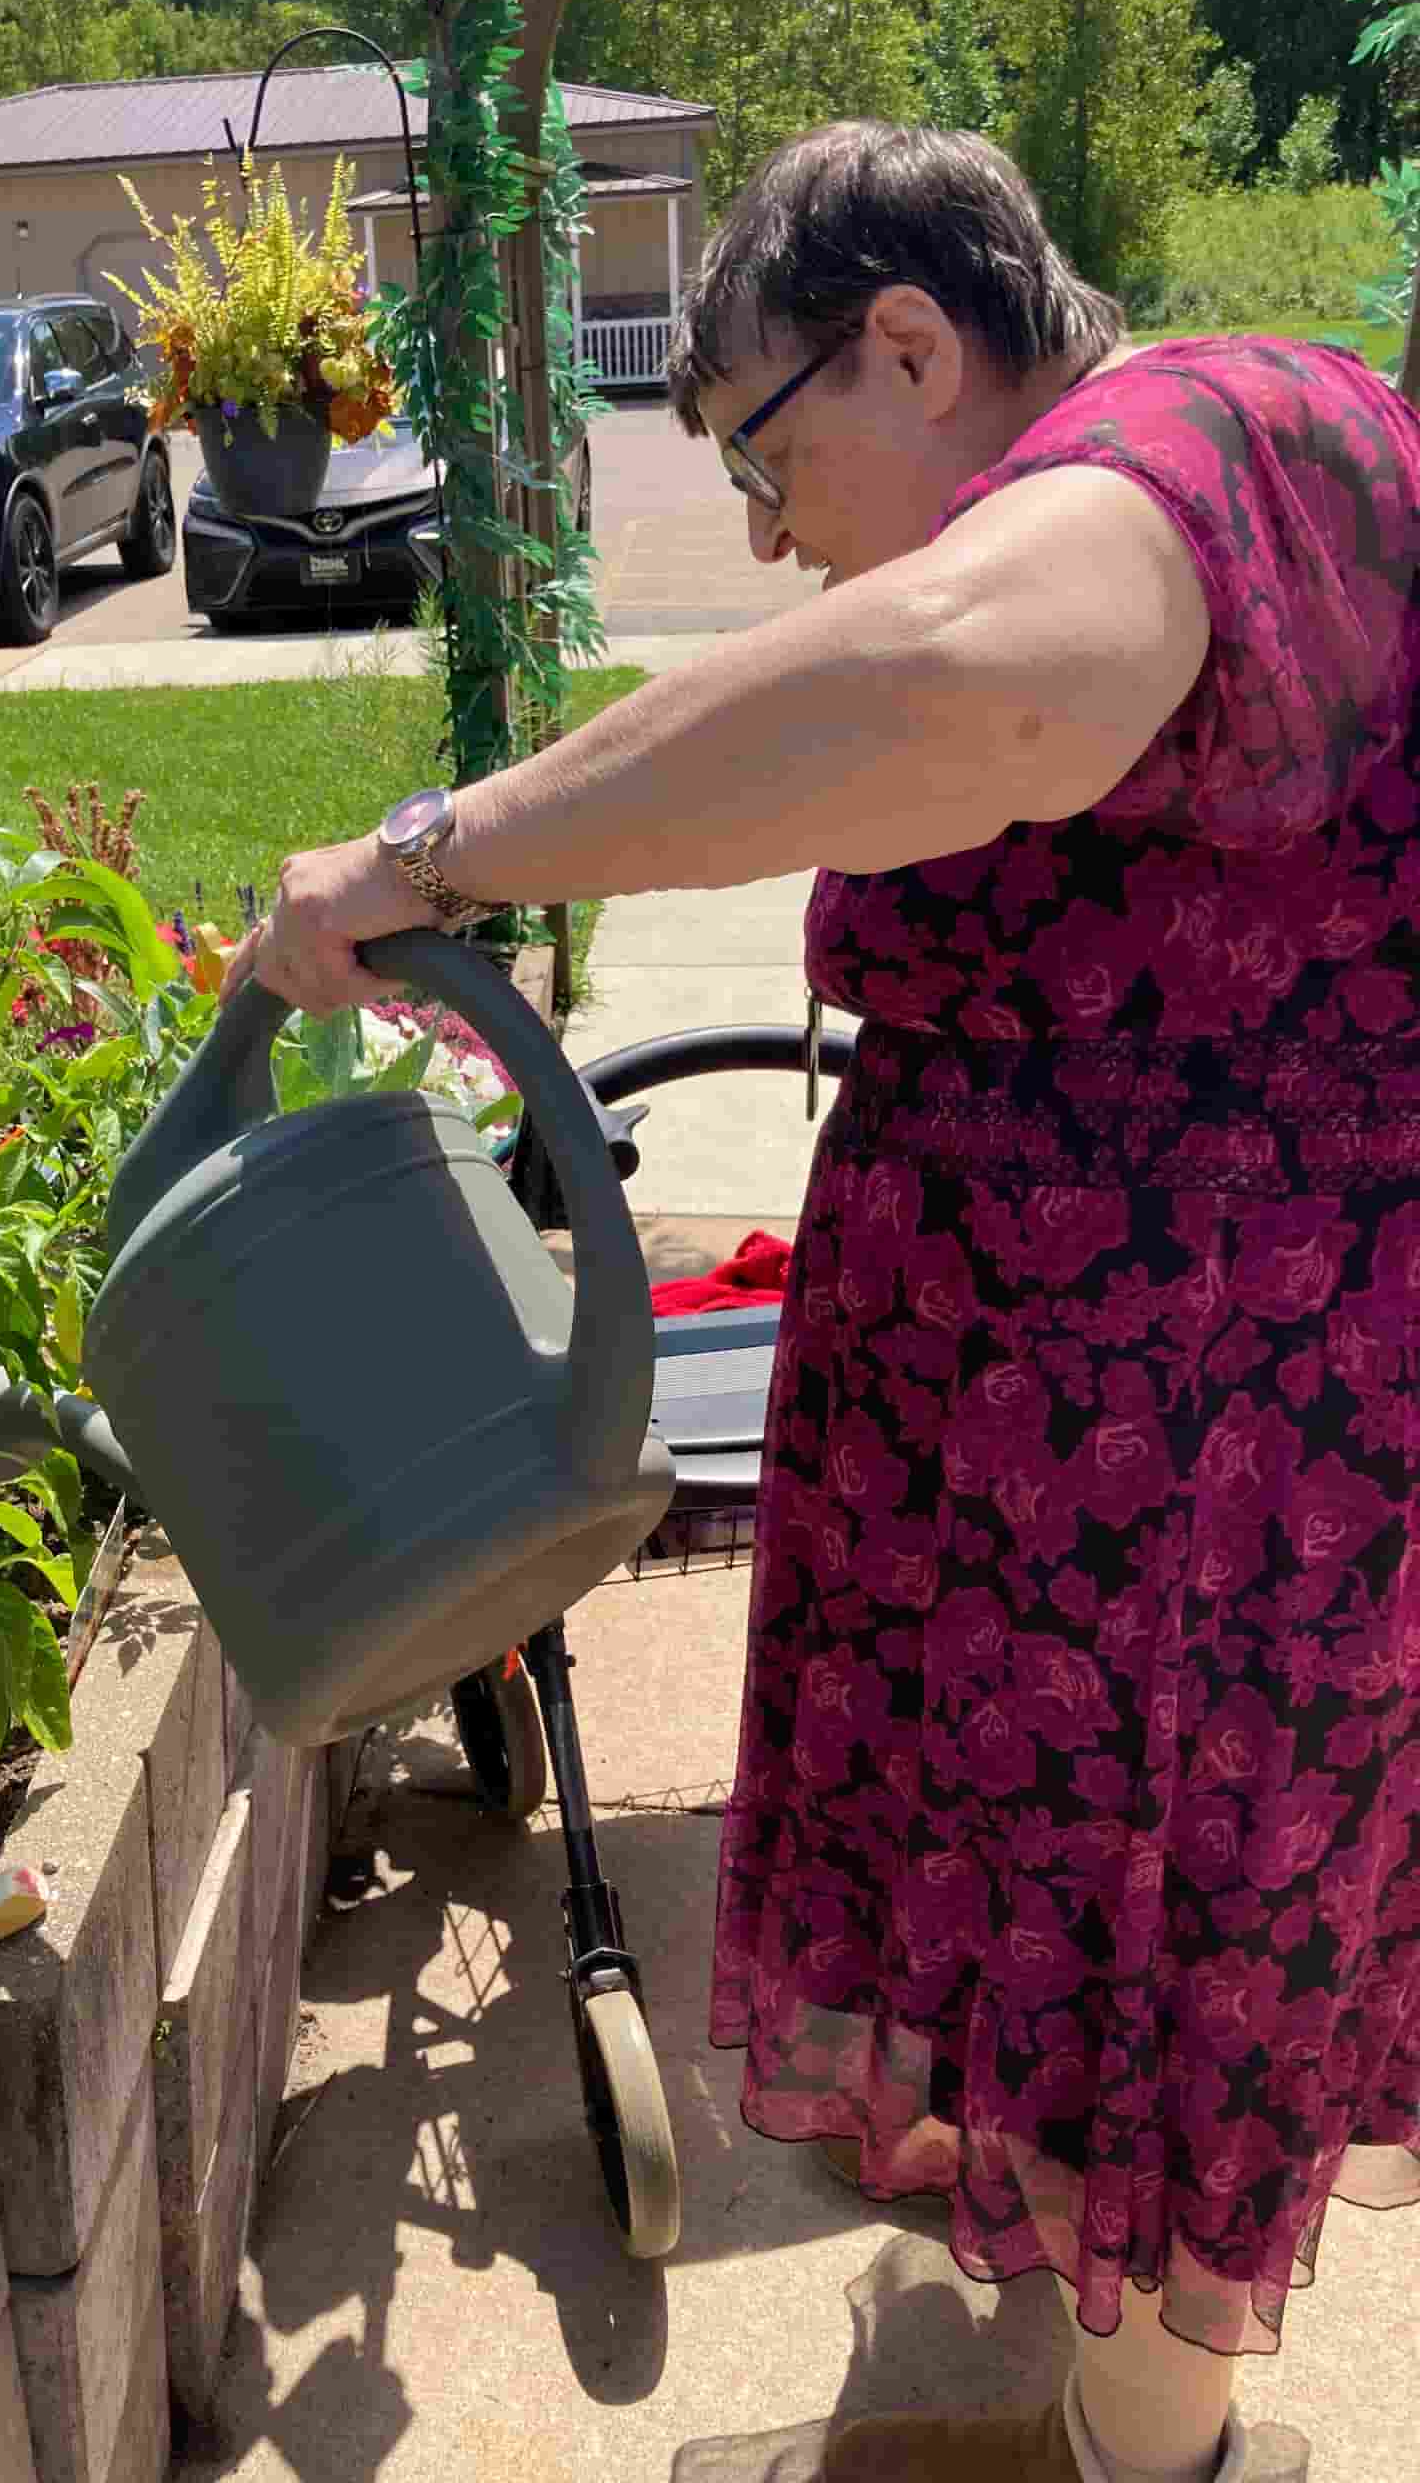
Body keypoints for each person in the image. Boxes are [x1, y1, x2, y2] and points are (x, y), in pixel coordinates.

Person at [220, 121, 1420, 2483]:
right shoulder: (1119, 475)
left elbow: (950, 690)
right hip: (1081, 1415)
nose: (771, 543)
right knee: (1064, 1926)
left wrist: (425, 856)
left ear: (910, 344)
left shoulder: (1208, 442)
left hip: (1200, 1452)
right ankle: (1089, 2366)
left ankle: (1153, 2456)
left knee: (1152, 1949)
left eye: (770, 467)